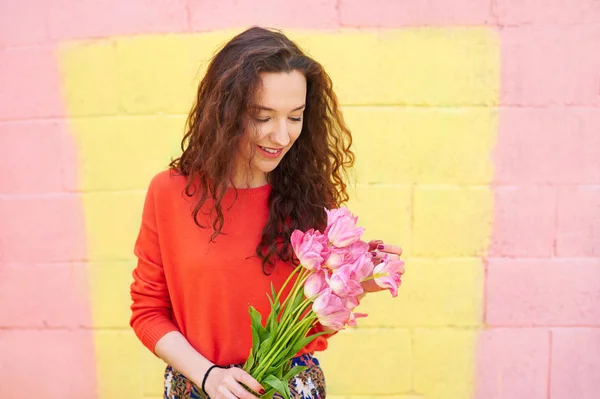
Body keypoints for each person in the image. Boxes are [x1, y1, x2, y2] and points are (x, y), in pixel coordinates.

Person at [129, 26, 404, 399]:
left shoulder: (307, 199)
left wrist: (352, 284)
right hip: (197, 386)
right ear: (224, 112)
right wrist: (209, 376)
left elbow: (310, 331)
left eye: (295, 117)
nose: (281, 136)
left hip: (289, 388)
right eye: (262, 117)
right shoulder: (170, 192)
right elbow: (147, 311)